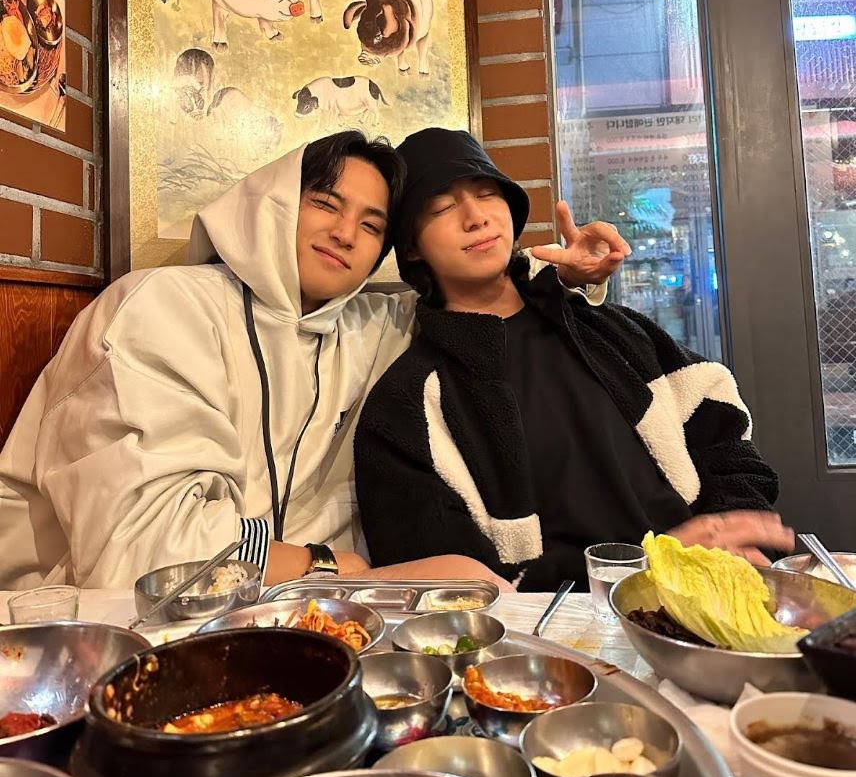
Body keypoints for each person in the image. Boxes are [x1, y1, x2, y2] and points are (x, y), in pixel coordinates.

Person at [0, 131, 626, 591]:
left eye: (372, 225)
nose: (346, 234)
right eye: (326, 204)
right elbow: (145, 550)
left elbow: (469, 296)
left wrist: (562, 277)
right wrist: (327, 565)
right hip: (94, 620)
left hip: (304, 614)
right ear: (272, 203)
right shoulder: (161, 307)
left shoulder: (371, 325)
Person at [354, 128, 795, 592]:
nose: (476, 217)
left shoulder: (614, 332)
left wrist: (730, 527)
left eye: (487, 194)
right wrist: (648, 567)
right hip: (559, 626)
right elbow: (454, 583)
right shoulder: (409, 404)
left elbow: (724, 434)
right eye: (442, 208)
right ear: (411, 247)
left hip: (713, 594)